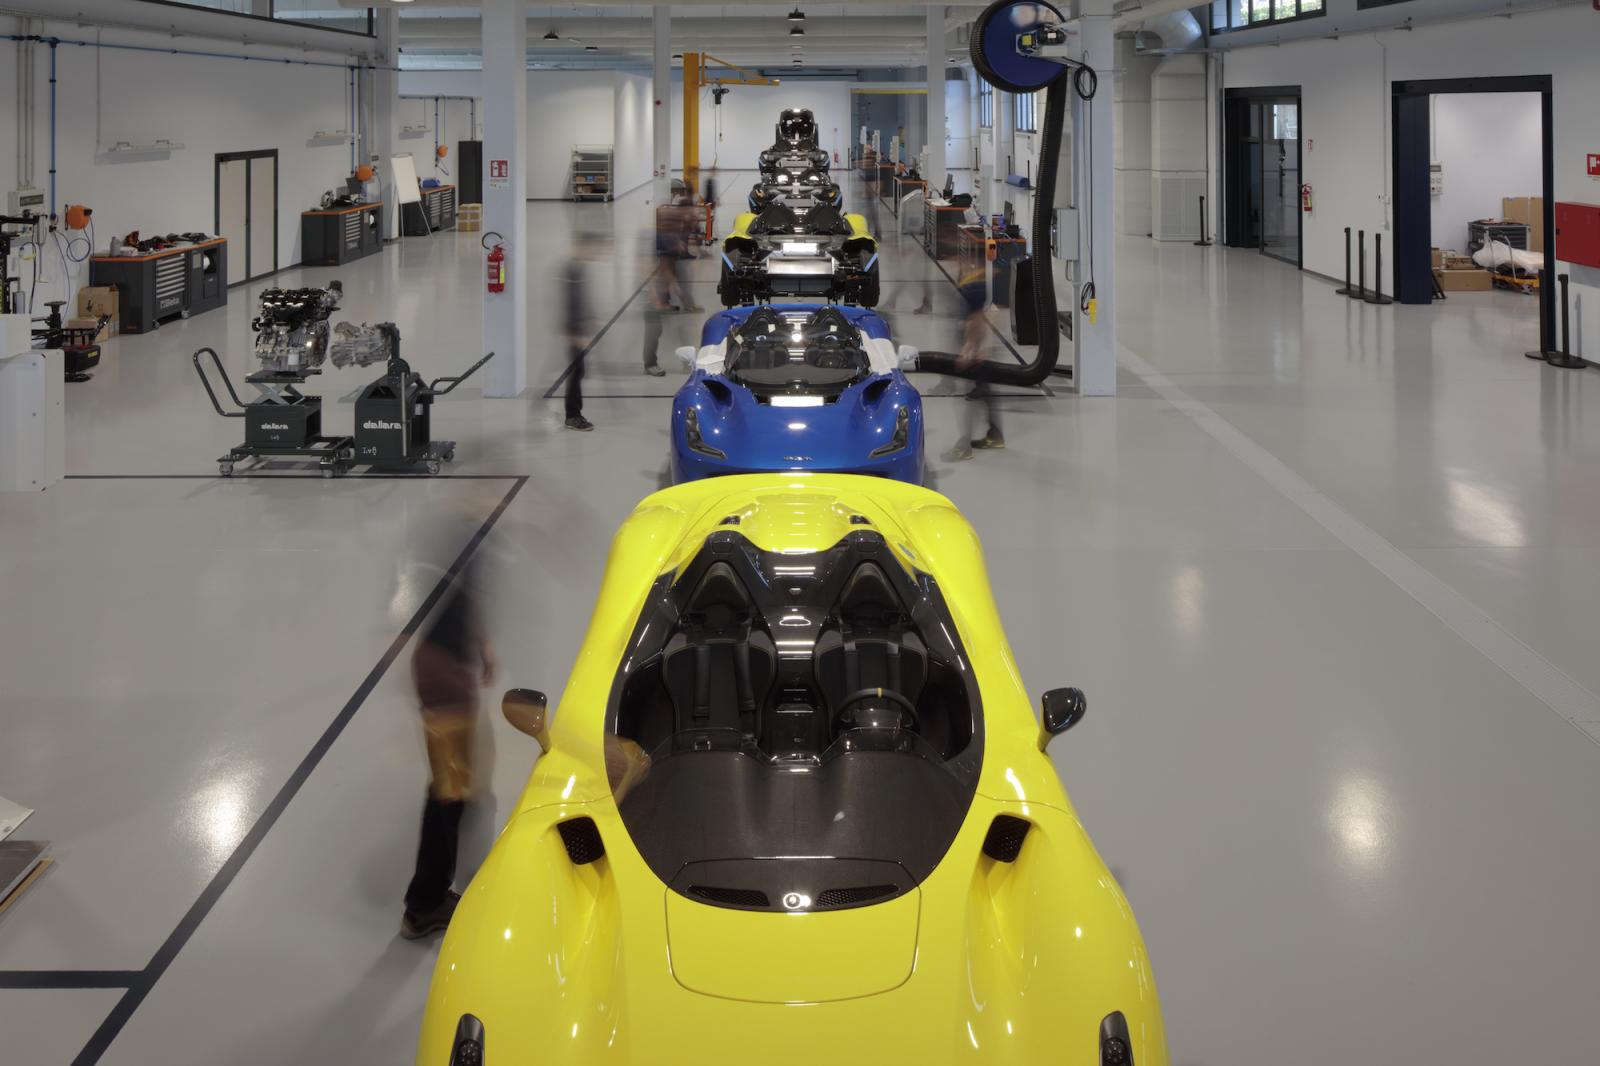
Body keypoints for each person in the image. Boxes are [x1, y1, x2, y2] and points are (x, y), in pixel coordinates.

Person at [401, 543, 496, 940]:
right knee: (449, 794)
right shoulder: (461, 533)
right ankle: (423, 906)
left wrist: (479, 643)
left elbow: (461, 594)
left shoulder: (470, 536)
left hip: (450, 670)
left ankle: (429, 896)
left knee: (458, 786)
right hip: (444, 678)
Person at [943, 272, 1004, 462]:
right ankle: (995, 435)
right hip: (980, 348)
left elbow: (977, 317)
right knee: (983, 390)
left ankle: (964, 446)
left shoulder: (974, 284)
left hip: (975, 351)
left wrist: (969, 349)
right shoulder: (975, 279)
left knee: (969, 399)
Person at [561, 234, 596, 430]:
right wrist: (571, 332)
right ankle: (572, 415)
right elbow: (568, 303)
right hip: (573, 330)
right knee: (576, 371)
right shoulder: (571, 270)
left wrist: (590, 318)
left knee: (579, 370)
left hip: (579, 328)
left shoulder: (579, 268)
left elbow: (582, 299)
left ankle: (574, 413)